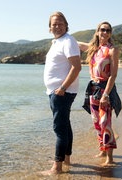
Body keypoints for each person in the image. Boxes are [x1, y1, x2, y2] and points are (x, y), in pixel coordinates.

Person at [42, 11, 81, 175]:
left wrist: (63, 88)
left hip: (62, 93)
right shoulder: (57, 42)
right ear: (49, 28)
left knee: (59, 128)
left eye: (60, 23)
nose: (57, 26)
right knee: (65, 125)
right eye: (54, 24)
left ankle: (57, 167)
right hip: (57, 91)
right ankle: (66, 159)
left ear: (66, 25)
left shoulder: (68, 41)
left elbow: (77, 67)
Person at [78, 21, 121, 166]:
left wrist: (106, 95)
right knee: (96, 122)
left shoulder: (112, 49)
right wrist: (57, 40)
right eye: (102, 29)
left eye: (108, 30)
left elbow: (113, 75)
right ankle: (102, 149)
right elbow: (77, 44)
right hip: (93, 89)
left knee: (105, 123)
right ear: (97, 32)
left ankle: (110, 159)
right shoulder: (94, 48)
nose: (105, 32)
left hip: (104, 90)